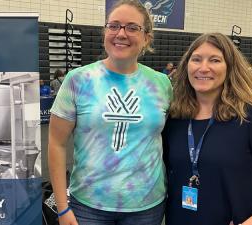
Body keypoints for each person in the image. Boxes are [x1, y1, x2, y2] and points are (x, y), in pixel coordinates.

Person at [48, 0, 172, 224]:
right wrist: (62, 207)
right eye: (113, 26)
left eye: (132, 27)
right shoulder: (78, 80)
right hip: (89, 205)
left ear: (147, 38)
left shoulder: (162, 83)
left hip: (146, 205)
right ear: (105, 32)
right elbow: (56, 143)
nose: (121, 33)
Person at [162, 33, 252, 225]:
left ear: (230, 67)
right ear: (186, 67)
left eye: (215, 60)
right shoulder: (175, 118)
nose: (203, 68)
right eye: (196, 59)